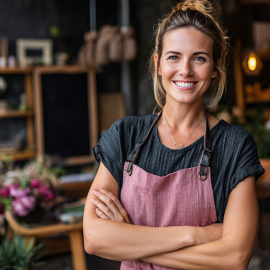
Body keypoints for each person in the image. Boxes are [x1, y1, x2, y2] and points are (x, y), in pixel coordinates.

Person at [83, 0, 265, 269]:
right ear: (158, 64)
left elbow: (234, 258)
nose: (185, 70)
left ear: (215, 68)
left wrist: (131, 241)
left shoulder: (235, 146)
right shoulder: (125, 135)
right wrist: (195, 234)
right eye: (174, 57)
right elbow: (94, 238)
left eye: (199, 58)